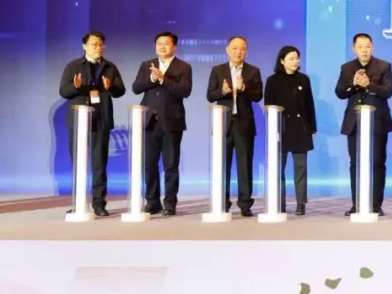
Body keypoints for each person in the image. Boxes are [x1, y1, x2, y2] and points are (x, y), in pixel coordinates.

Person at [58, 30, 126, 217]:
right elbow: (63, 91)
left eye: (101, 45)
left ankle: (99, 204)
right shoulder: (73, 66)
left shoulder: (110, 67)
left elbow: (120, 91)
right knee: (78, 163)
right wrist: (76, 87)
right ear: (84, 46)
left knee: (99, 164)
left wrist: (110, 86)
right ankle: (78, 203)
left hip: (101, 119)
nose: (98, 48)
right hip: (79, 121)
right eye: (94, 44)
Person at [132, 31, 193, 216]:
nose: (162, 46)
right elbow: (136, 88)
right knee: (149, 165)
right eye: (159, 43)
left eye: (166, 43)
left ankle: (170, 203)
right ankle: (152, 201)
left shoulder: (183, 67)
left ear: (174, 46)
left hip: (172, 121)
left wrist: (163, 79)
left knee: (170, 165)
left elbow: (185, 91)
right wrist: (152, 79)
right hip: (149, 121)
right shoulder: (146, 65)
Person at [335, 33, 392, 216]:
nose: (364, 50)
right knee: (356, 163)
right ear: (354, 49)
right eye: (360, 47)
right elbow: (340, 92)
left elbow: (388, 91)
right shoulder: (347, 68)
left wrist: (369, 85)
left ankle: (375, 204)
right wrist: (353, 85)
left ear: (372, 47)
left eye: (367, 46)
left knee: (377, 162)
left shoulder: (384, 66)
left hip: (377, 121)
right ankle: (357, 203)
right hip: (354, 122)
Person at [205, 36, 263, 217]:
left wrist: (243, 87)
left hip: (244, 124)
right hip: (223, 124)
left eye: (242, 48)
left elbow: (258, 95)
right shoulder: (218, 70)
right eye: (235, 48)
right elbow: (210, 95)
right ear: (227, 50)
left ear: (246, 51)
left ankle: (245, 204)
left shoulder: (253, 71)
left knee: (245, 166)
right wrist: (222, 91)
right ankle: (222, 202)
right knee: (222, 165)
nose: (239, 52)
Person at [263, 45, 317, 216]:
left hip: (301, 129)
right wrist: (273, 129)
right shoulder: (272, 80)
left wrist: (312, 128)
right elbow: (268, 106)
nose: (295, 61)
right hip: (280, 129)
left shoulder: (304, 79)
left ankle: (301, 203)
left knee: (301, 168)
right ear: (282, 61)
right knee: (278, 168)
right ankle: (280, 202)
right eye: (291, 58)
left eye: (297, 58)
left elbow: (309, 105)